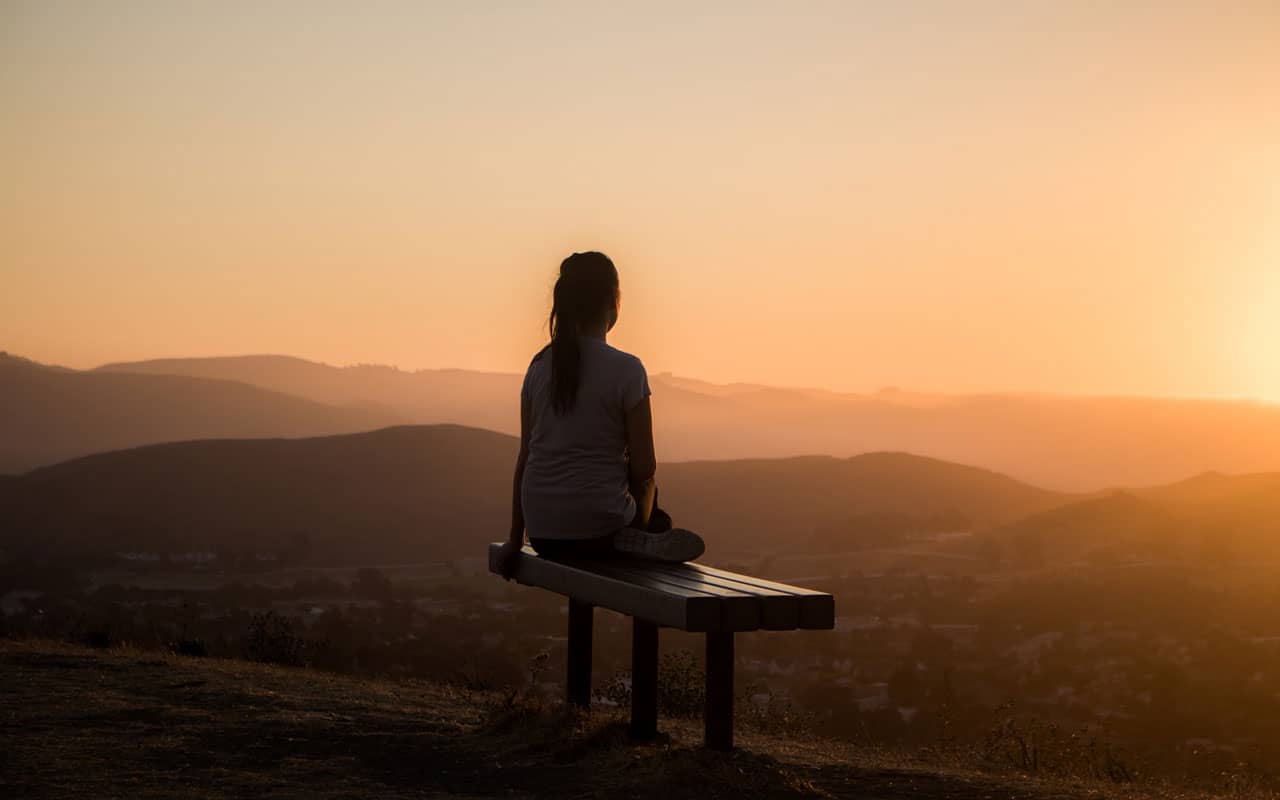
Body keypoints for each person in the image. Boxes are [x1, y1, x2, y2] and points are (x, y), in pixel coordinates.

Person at [495, 251, 704, 579]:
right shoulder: (627, 370)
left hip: (544, 535)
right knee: (655, 505)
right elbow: (645, 467)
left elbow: (525, 458)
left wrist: (514, 539)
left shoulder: (538, 367)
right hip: (601, 532)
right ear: (613, 301)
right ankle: (645, 535)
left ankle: (638, 534)